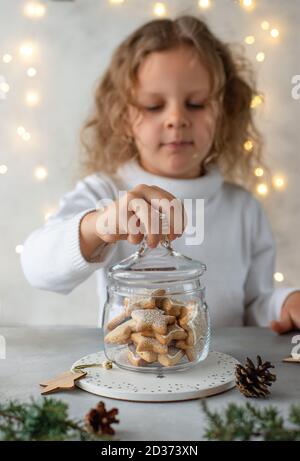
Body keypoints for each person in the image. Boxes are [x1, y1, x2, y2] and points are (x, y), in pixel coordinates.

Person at [21, 16, 300, 332]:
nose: (176, 118)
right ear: (124, 117)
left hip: (223, 374)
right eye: (154, 106)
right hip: (131, 372)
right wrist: (102, 224)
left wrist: (285, 302)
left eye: (195, 104)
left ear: (223, 111)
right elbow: (36, 267)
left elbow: (254, 304)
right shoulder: (104, 194)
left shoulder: (243, 208)